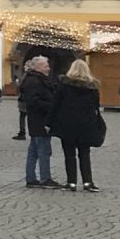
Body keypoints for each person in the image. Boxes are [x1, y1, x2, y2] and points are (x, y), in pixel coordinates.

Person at [49, 58, 103, 191]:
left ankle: (71, 182)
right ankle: (87, 182)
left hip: (67, 123)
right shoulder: (92, 88)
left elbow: (55, 104)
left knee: (69, 154)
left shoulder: (64, 85)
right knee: (84, 153)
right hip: (86, 124)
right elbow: (96, 105)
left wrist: (48, 122)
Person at [18, 55, 59, 188]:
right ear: (37, 67)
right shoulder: (35, 81)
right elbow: (34, 102)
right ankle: (45, 178)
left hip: (36, 120)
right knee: (43, 151)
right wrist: (51, 106)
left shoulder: (38, 80)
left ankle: (31, 178)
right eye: (45, 65)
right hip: (39, 120)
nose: (48, 67)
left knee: (34, 150)